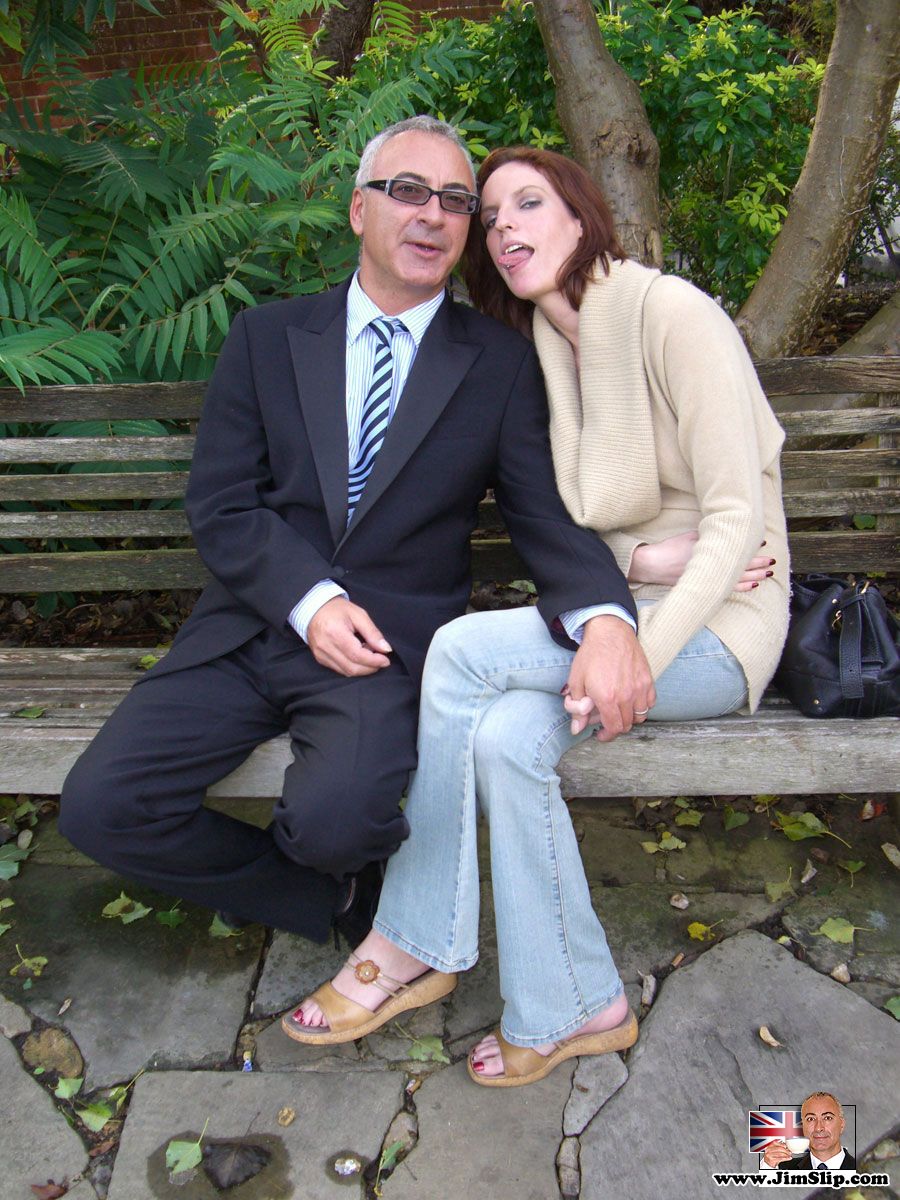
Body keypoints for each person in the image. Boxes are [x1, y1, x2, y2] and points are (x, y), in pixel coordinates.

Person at [58, 122, 652, 950]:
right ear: (358, 210)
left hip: (382, 650)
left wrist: (607, 620)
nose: (432, 215)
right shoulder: (266, 338)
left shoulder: (498, 362)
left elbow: (543, 517)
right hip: (249, 628)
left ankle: (341, 869)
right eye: (407, 191)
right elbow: (223, 503)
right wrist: (310, 601)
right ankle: (331, 901)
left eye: (455, 201)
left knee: (336, 826)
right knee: (101, 808)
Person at [284, 146, 789, 1086]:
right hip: (630, 607)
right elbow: (576, 528)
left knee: (461, 653)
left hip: (720, 628)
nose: (506, 226)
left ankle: (412, 940)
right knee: (505, 739)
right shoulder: (547, 350)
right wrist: (638, 564)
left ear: (581, 216)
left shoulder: (673, 315)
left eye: (529, 203)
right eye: (493, 216)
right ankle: (578, 1005)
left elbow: (737, 520)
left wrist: (637, 646)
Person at [763, 1093, 857, 1171]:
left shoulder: (862, 1171)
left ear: (842, 1124)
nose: (818, 1128)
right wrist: (767, 1167)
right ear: (802, 1126)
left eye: (827, 1118)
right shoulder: (782, 1169)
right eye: (811, 1119)